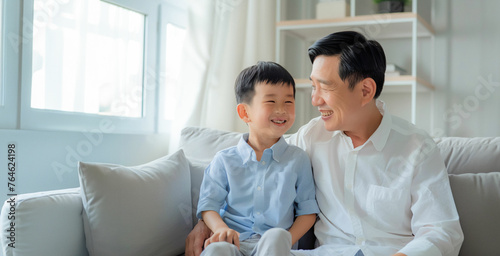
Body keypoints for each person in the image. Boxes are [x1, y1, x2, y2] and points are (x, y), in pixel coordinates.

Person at [186, 31, 464, 256]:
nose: (314, 100)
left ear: (365, 90)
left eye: (325, 88)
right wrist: (206, 223)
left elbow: (442, 231)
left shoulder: (417, 148)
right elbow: (257, 162)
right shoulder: (311, 137)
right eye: (312, 87)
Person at [196, 61, 319, 256]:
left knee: (276, 235)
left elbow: (308, 212)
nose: (282, 110)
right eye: (271, 102)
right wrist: (220, 229)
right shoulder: (224, 160)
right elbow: (209, 206)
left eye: (288, 101)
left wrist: (288, 239)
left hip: (275, 246)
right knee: (217, 250)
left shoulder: (298, 159)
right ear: (245, 112)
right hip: (234, 243)